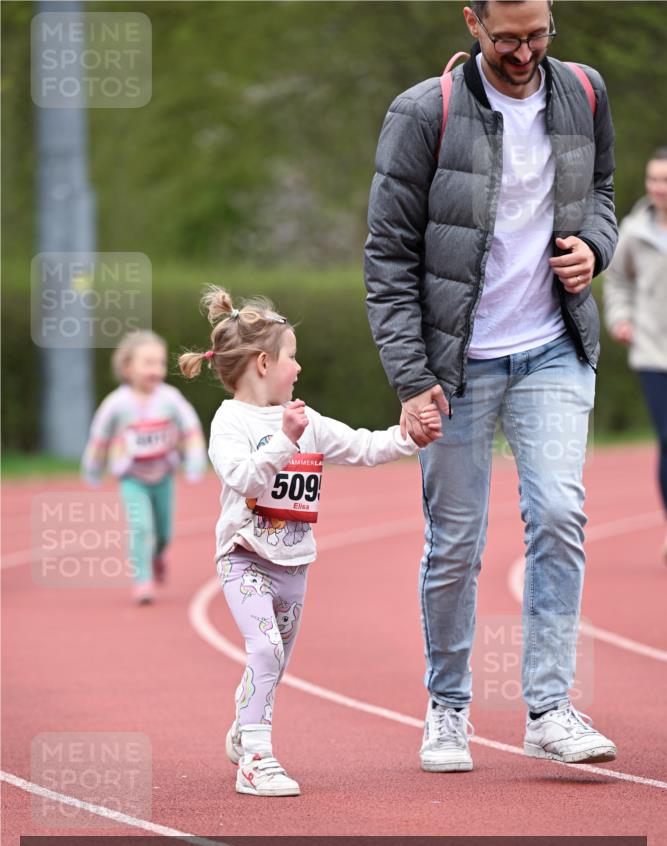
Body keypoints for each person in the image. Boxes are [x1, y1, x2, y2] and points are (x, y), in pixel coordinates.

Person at [364, 0, 619, 772]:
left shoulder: (583, 91)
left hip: (552, 347)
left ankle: (548, 708)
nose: (523, 52)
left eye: (537, 34)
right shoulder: (423, 113)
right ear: (471, 22)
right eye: (507, 38)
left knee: (558, 514)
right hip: (456, 365)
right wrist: (412, 379)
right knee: (455, 543)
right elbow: (387, 256)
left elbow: (601, 193)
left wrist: (594, 248)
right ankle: (447, 707)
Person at [179, 286, 441, 797]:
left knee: (274, 661)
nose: (299, 368)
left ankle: (244, 727)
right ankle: (256, 759)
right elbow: (244, 478)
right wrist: (285, 439)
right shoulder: (230, 421)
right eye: (291, 357)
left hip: (293, 565)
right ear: (263, 363)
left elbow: (362, 446)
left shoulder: (306, 419)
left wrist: (408, 437)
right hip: (244, 559)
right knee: (264, 648)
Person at [82, 330, 207, 604]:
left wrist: (195, 462)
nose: (156, 370)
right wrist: (93, 468)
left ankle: (158, 554)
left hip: (163, 476)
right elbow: (100, 436)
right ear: (128, 367)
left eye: (160, 363)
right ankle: (142, 581)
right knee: (140, 527)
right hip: (132, 478)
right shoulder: (116, 404)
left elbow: (190, 428)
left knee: (164, 533)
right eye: (148, 363)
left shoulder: (170, 398)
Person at [604, 148, 667, 561]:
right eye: (653, 179)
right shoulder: (634, 231)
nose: (659, 188)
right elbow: (617, 281)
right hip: (653, 352)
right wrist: (621, 318)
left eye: (665, 180)